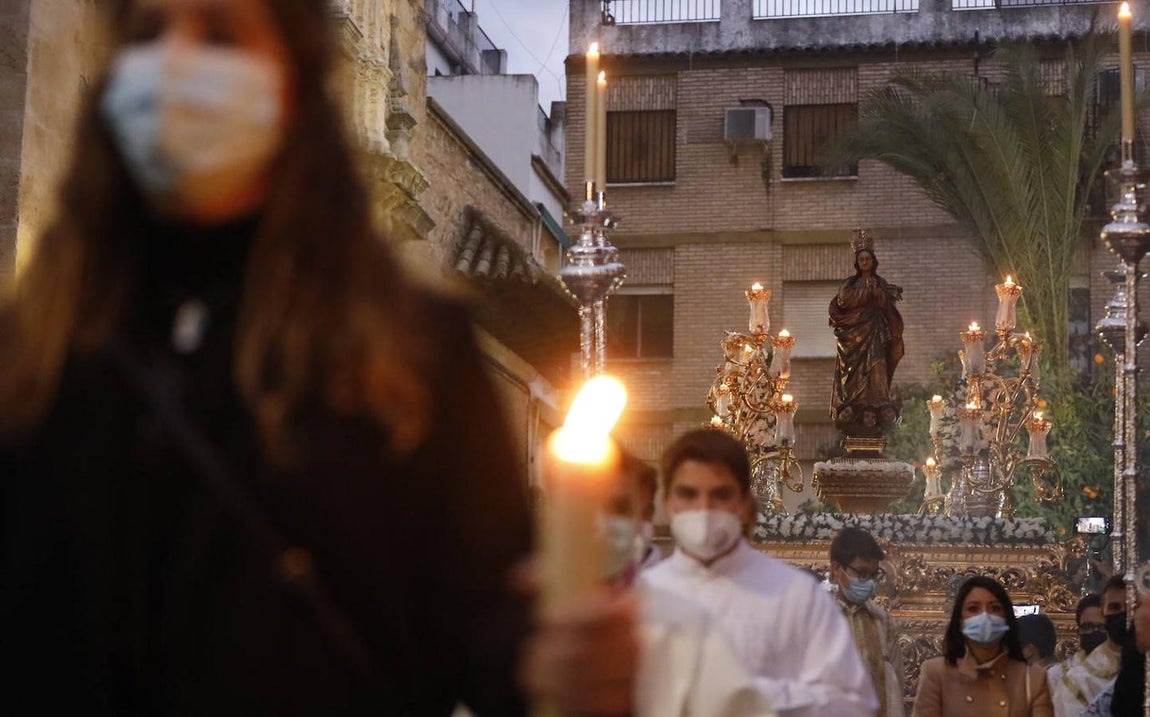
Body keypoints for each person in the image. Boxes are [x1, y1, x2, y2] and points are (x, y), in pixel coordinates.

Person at [0, 1, 532, 713]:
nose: (176, 66)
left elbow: (496, 643)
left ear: (297, 76)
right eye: (149, 35)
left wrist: (564, 667)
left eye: (219, 33)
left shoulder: (415, 362)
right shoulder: (35, 356)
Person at [640, 429, 878, 717]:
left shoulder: (797, 596)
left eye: (720, 495)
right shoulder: (640, 597)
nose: (703, 509)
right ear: (666, 504)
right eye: (688, 494)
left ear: (744, 504)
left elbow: (853, 704)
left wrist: (750, 695)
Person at [911, 575, 1052, 716]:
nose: (985, 616)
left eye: (995, 608)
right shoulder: (936, 674)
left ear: (1006, 618)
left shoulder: (1033, 678)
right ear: (960, 619)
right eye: (973, 609)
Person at [829, 231, 904, 436]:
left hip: (876, 333)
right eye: (861, 259)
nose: (864, 262)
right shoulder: (850, 283)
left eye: (867, 259)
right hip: (853, 337)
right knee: (856, 372)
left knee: (878, 366)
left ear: (873, 261)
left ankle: (878, 400)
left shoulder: (880, 282)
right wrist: (865, 293)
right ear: (857, 262)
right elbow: (843, 301)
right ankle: (856, 402)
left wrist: (878, 294)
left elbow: (887, 305)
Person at [829, 527, 906, 717]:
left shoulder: (881, 620)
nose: (867, 582)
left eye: (872, 576)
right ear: (836, 568)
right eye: (861, 573)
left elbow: (896, 678)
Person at [1049, 594, 1118, 717]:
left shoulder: (1125, 670)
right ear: (1078, 631)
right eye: (1088, 627)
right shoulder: (1057, 675)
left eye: (1101, 627)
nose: (1094, 632)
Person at [1076, 577, 1130, 717]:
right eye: (1114, 608)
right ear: (1103, 614)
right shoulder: (1078, 680)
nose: (1124, 615)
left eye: (1131, 607)